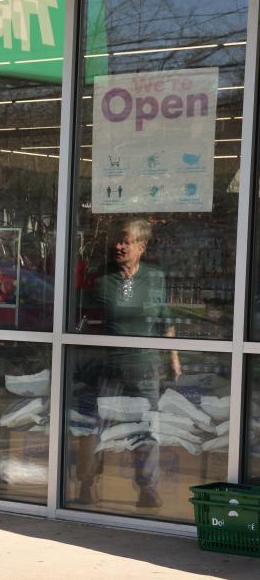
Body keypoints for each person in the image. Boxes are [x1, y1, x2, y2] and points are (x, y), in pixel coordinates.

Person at [73, 218, 180, 509]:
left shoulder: (155, 276)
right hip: (107, 366)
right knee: (98, 428)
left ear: (141, 246)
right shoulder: (101, 277)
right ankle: (87, 484)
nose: (118, 246)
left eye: (126, 241)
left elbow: (165, 319)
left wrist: (173, 357)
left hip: (144, 367)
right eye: (117, 241)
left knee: (145, 428)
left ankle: (147, 488)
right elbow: (83, 320)